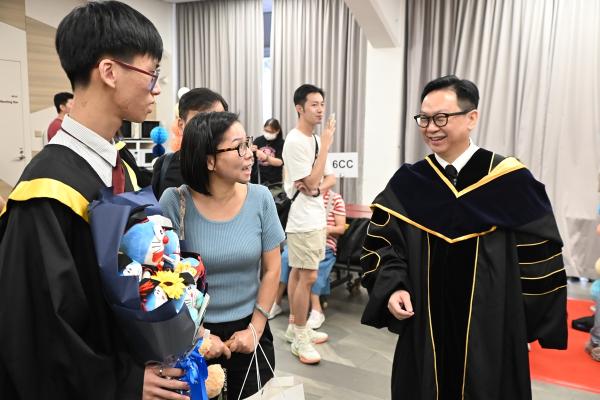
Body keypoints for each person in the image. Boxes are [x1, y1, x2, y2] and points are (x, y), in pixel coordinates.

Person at [0, 2, 191, 398]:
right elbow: (37, 332)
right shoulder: (46, 191)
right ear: (109, 71)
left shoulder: (124, 167)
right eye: (152, 73)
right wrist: (122, 381)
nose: (156, 88)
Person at [360, 75, 567, 399]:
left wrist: (524, 319)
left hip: (492, 329)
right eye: (424, 119)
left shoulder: (510, 182)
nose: (431, 127)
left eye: (441, 118)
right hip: (424, 329)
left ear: (472, 118)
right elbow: (382, 246)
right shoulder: (409, 184)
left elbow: (538, 256)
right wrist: (393, 287)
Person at [159, 112, 284, 399]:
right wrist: (200, 335)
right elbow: (165, 281)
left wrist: (255, 329)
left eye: (248, 143)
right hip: (191, 335)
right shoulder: (175, 202)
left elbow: (272, 269)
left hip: (251, 329)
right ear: (209, 161)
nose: (249, 153)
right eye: (239, 147)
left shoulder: (261, 198)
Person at [281, 84, 337, 364]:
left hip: (314, 216)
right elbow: (314, 180)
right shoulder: (295, 141)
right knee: (308, 277)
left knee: (298, 274)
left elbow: (329, 179)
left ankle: (295, 327)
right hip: (302, 220)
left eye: (322, 104)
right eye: (314, 104)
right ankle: (301, 336)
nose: (320, 109)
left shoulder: (313, 140)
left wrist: (316, 187)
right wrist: (325, 146)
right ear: (299, 108)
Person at [271, 188, 346, 331]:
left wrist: (325, 229)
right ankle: (277, 302)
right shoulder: (302, 195)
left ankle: (316, 310)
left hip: (324, 244)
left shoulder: (335, 199)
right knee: (285, 258)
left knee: (314, 266)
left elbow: (341, 228)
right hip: (301, 241)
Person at [152, 88, 228, 199]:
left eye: (220, 120)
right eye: (201, 121)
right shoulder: (165, 165)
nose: (213, 127)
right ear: (181, 125)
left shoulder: (234, 164)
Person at [250, 118, 285, 186]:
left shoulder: (281, 143)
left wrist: (266, 158)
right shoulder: (258, 140)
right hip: (257, 181)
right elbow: (251, 160)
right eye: (266, 130)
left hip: (274, 183)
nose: (268, 133)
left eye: (271, 132)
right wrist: (250, 151)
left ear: (277, 131)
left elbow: (280, 162)